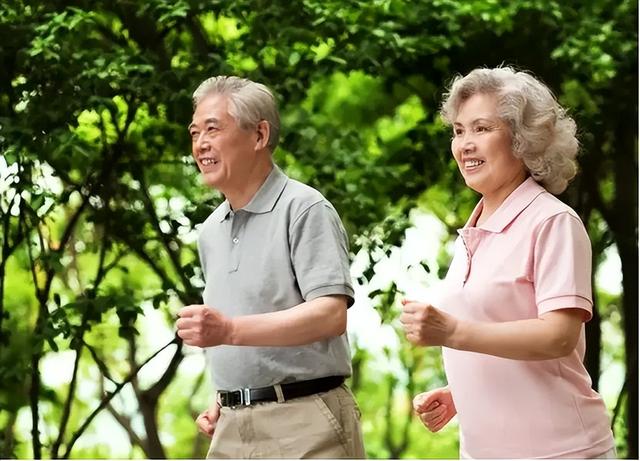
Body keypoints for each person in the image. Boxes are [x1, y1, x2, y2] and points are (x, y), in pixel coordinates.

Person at [400, 66, 616, 459]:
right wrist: (462, 392)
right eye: (458, 131)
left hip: (562, 451)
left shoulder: (552, 221)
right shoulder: (473, 230)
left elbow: (558, 337)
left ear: (522, 140)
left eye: (481, 129)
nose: (465, 144)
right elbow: (500, 330)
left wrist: (451, 331)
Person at [176, 76, 365, 459]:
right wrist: (228, 394)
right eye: (195, 132)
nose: (201, 144)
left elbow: (330, 315)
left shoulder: (305, 208)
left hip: (306, 421)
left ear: (260, 135)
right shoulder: (210, 231)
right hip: (231, 426)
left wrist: (227, 330)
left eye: (213, 129)